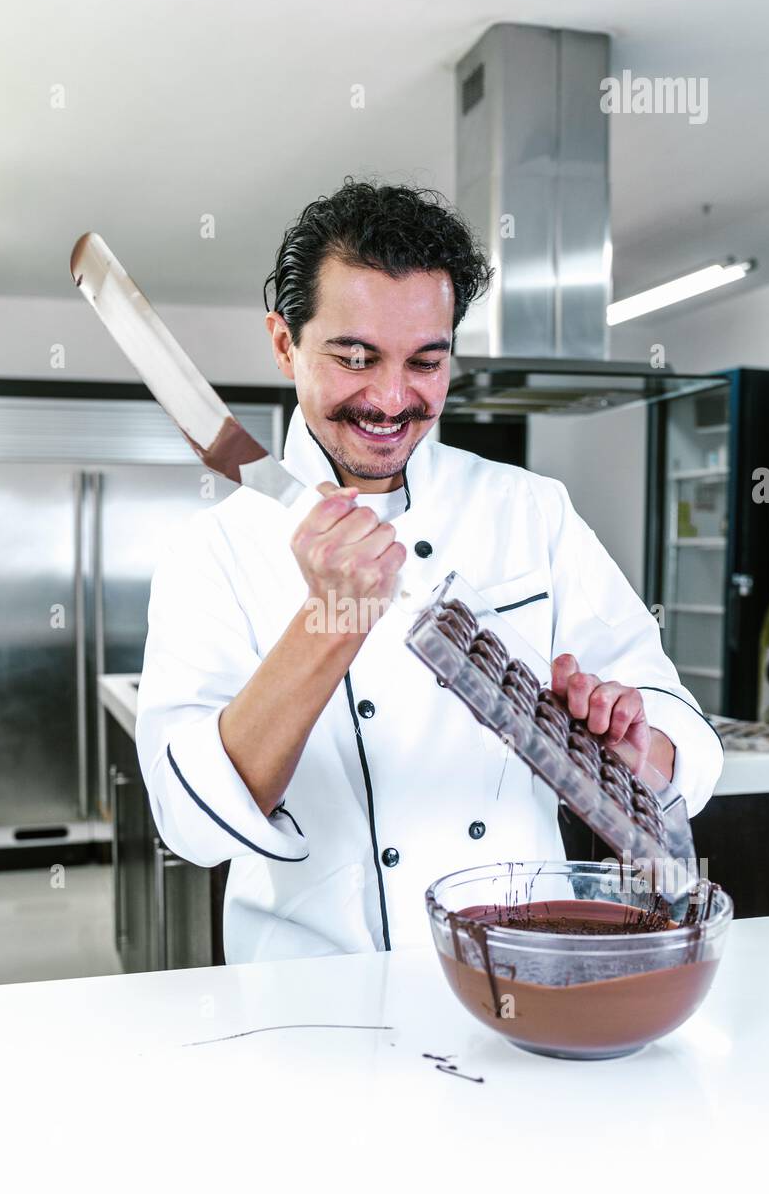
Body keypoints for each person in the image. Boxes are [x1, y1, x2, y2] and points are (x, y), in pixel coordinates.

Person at [135, 179, 723, 963]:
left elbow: (676, 722)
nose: (390, 398)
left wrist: (633, 751)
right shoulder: (211, 552)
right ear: (284, 344)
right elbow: (193, 825)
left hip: (527, 967)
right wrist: (328, 624)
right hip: (314, 996)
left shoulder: (531, 510)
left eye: (425, 363)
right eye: (354, 356)